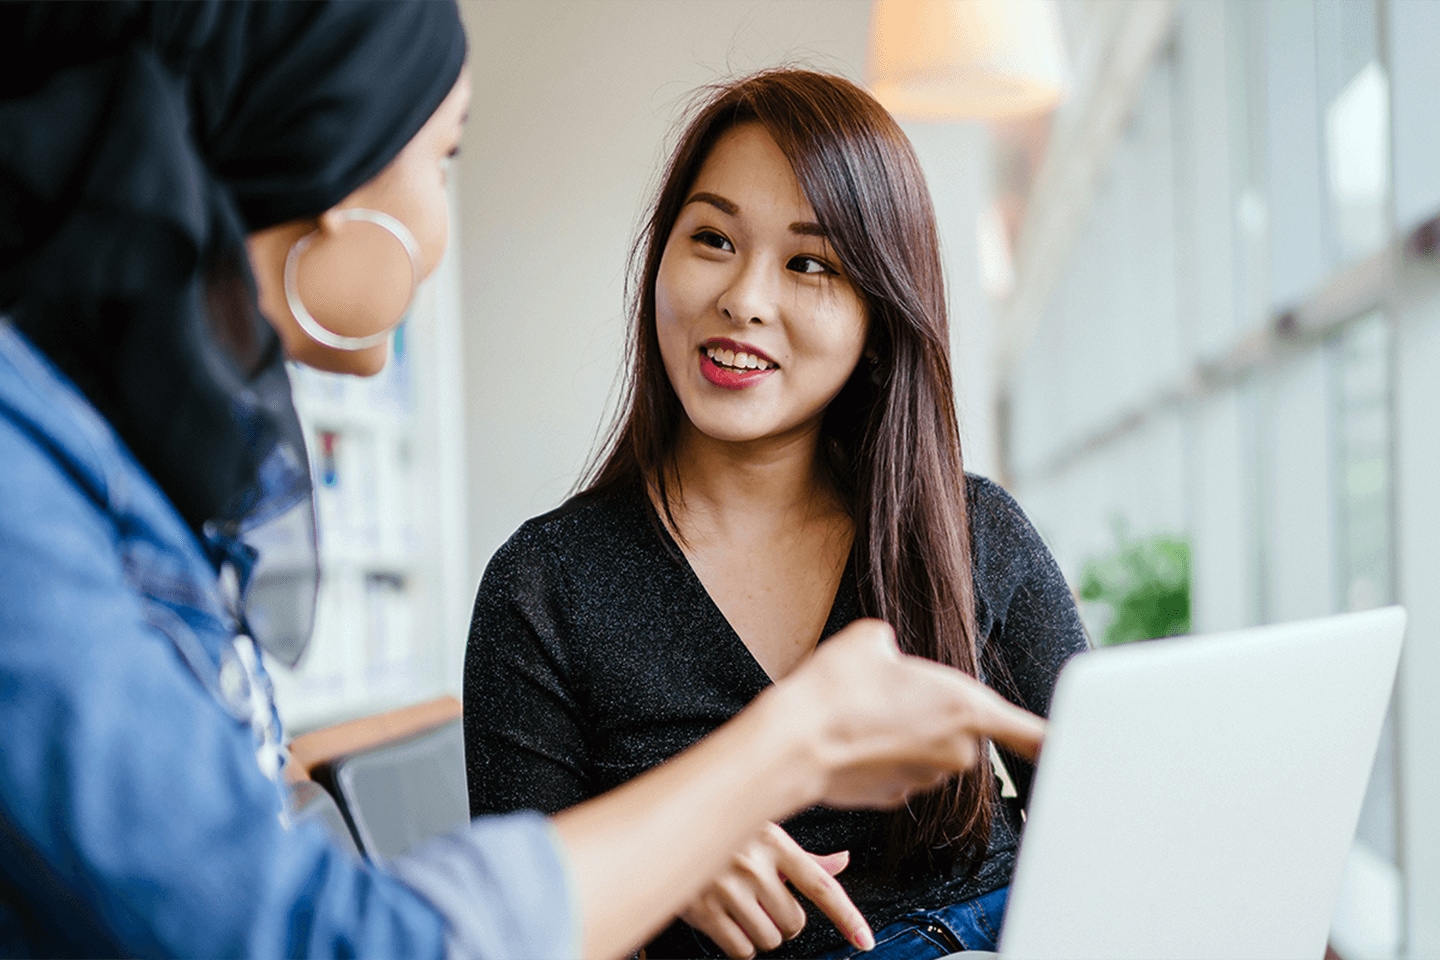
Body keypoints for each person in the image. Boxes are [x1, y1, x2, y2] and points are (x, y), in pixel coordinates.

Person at [0, 6, 1048, 959]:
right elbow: (317, 938)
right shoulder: (30, 513)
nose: (745, 299)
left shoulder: (127, 501)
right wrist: (735, 790)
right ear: (323, 167)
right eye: (444, 158)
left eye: (810, 264)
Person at [463, 69, 1089, 960]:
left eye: (810, 264)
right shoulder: (544, 588)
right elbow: (516, 934)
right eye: (713, 239)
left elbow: (1108, 822)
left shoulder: (971, 530)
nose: (745, 299)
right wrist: (663, 856)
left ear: (880, 313)